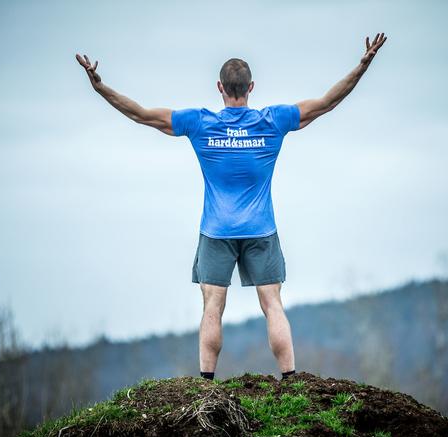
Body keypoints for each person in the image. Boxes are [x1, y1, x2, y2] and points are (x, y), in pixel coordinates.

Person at [76, 32, 387, 381]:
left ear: (219, 88)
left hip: (216, 231)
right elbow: (328, 101)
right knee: (272, 304)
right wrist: (362, 65)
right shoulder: (273, 121)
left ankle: (207, 383)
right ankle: (291, 378)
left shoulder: (199, 123)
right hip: (261, 230)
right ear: (251, 87)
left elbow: (142, 115)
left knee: (213, 306)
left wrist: (100, 87)